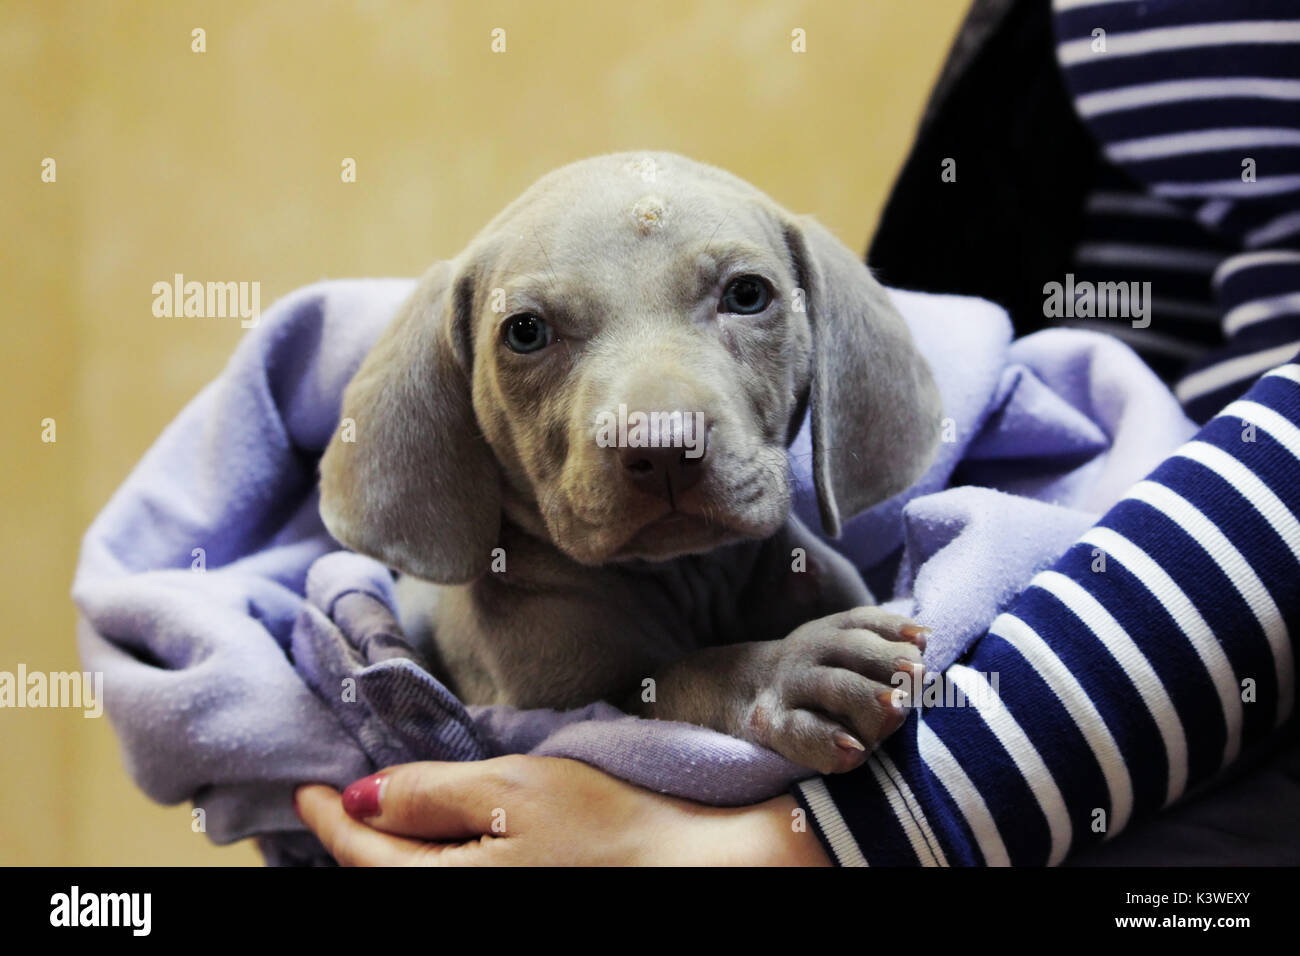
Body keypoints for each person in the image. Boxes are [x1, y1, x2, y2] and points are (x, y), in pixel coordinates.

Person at [295, 0, 1300, 866]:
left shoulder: (793, 549)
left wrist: (799, 839)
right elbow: (556, 711)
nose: (658, 425)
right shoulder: (521, 585)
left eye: (743, 296)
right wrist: (737, 687)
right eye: (529, 334)